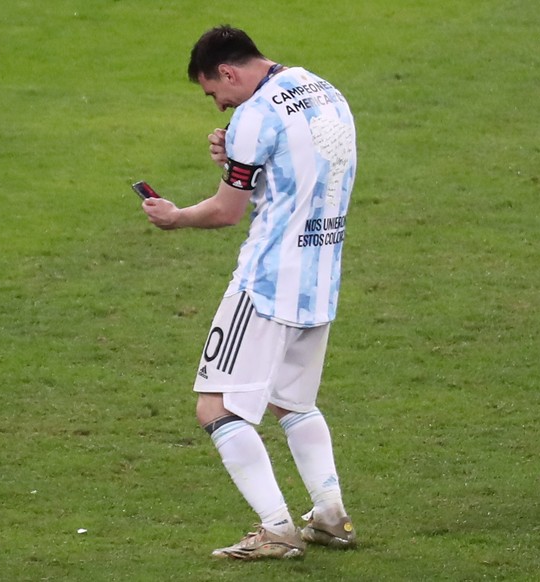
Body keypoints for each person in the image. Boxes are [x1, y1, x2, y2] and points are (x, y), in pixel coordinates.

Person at [141, 25, 358, 560]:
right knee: (293, 401)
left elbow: (226, 211)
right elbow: (302, 166)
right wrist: (240, 152)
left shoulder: (253, 117)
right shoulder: (322, 89)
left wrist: (175, 217)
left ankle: (277, 529)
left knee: (215, 406)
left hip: (267, 280)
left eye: (216, 93)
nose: (219, 107)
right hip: (321, 272)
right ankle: (330, 516)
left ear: (228, 72)